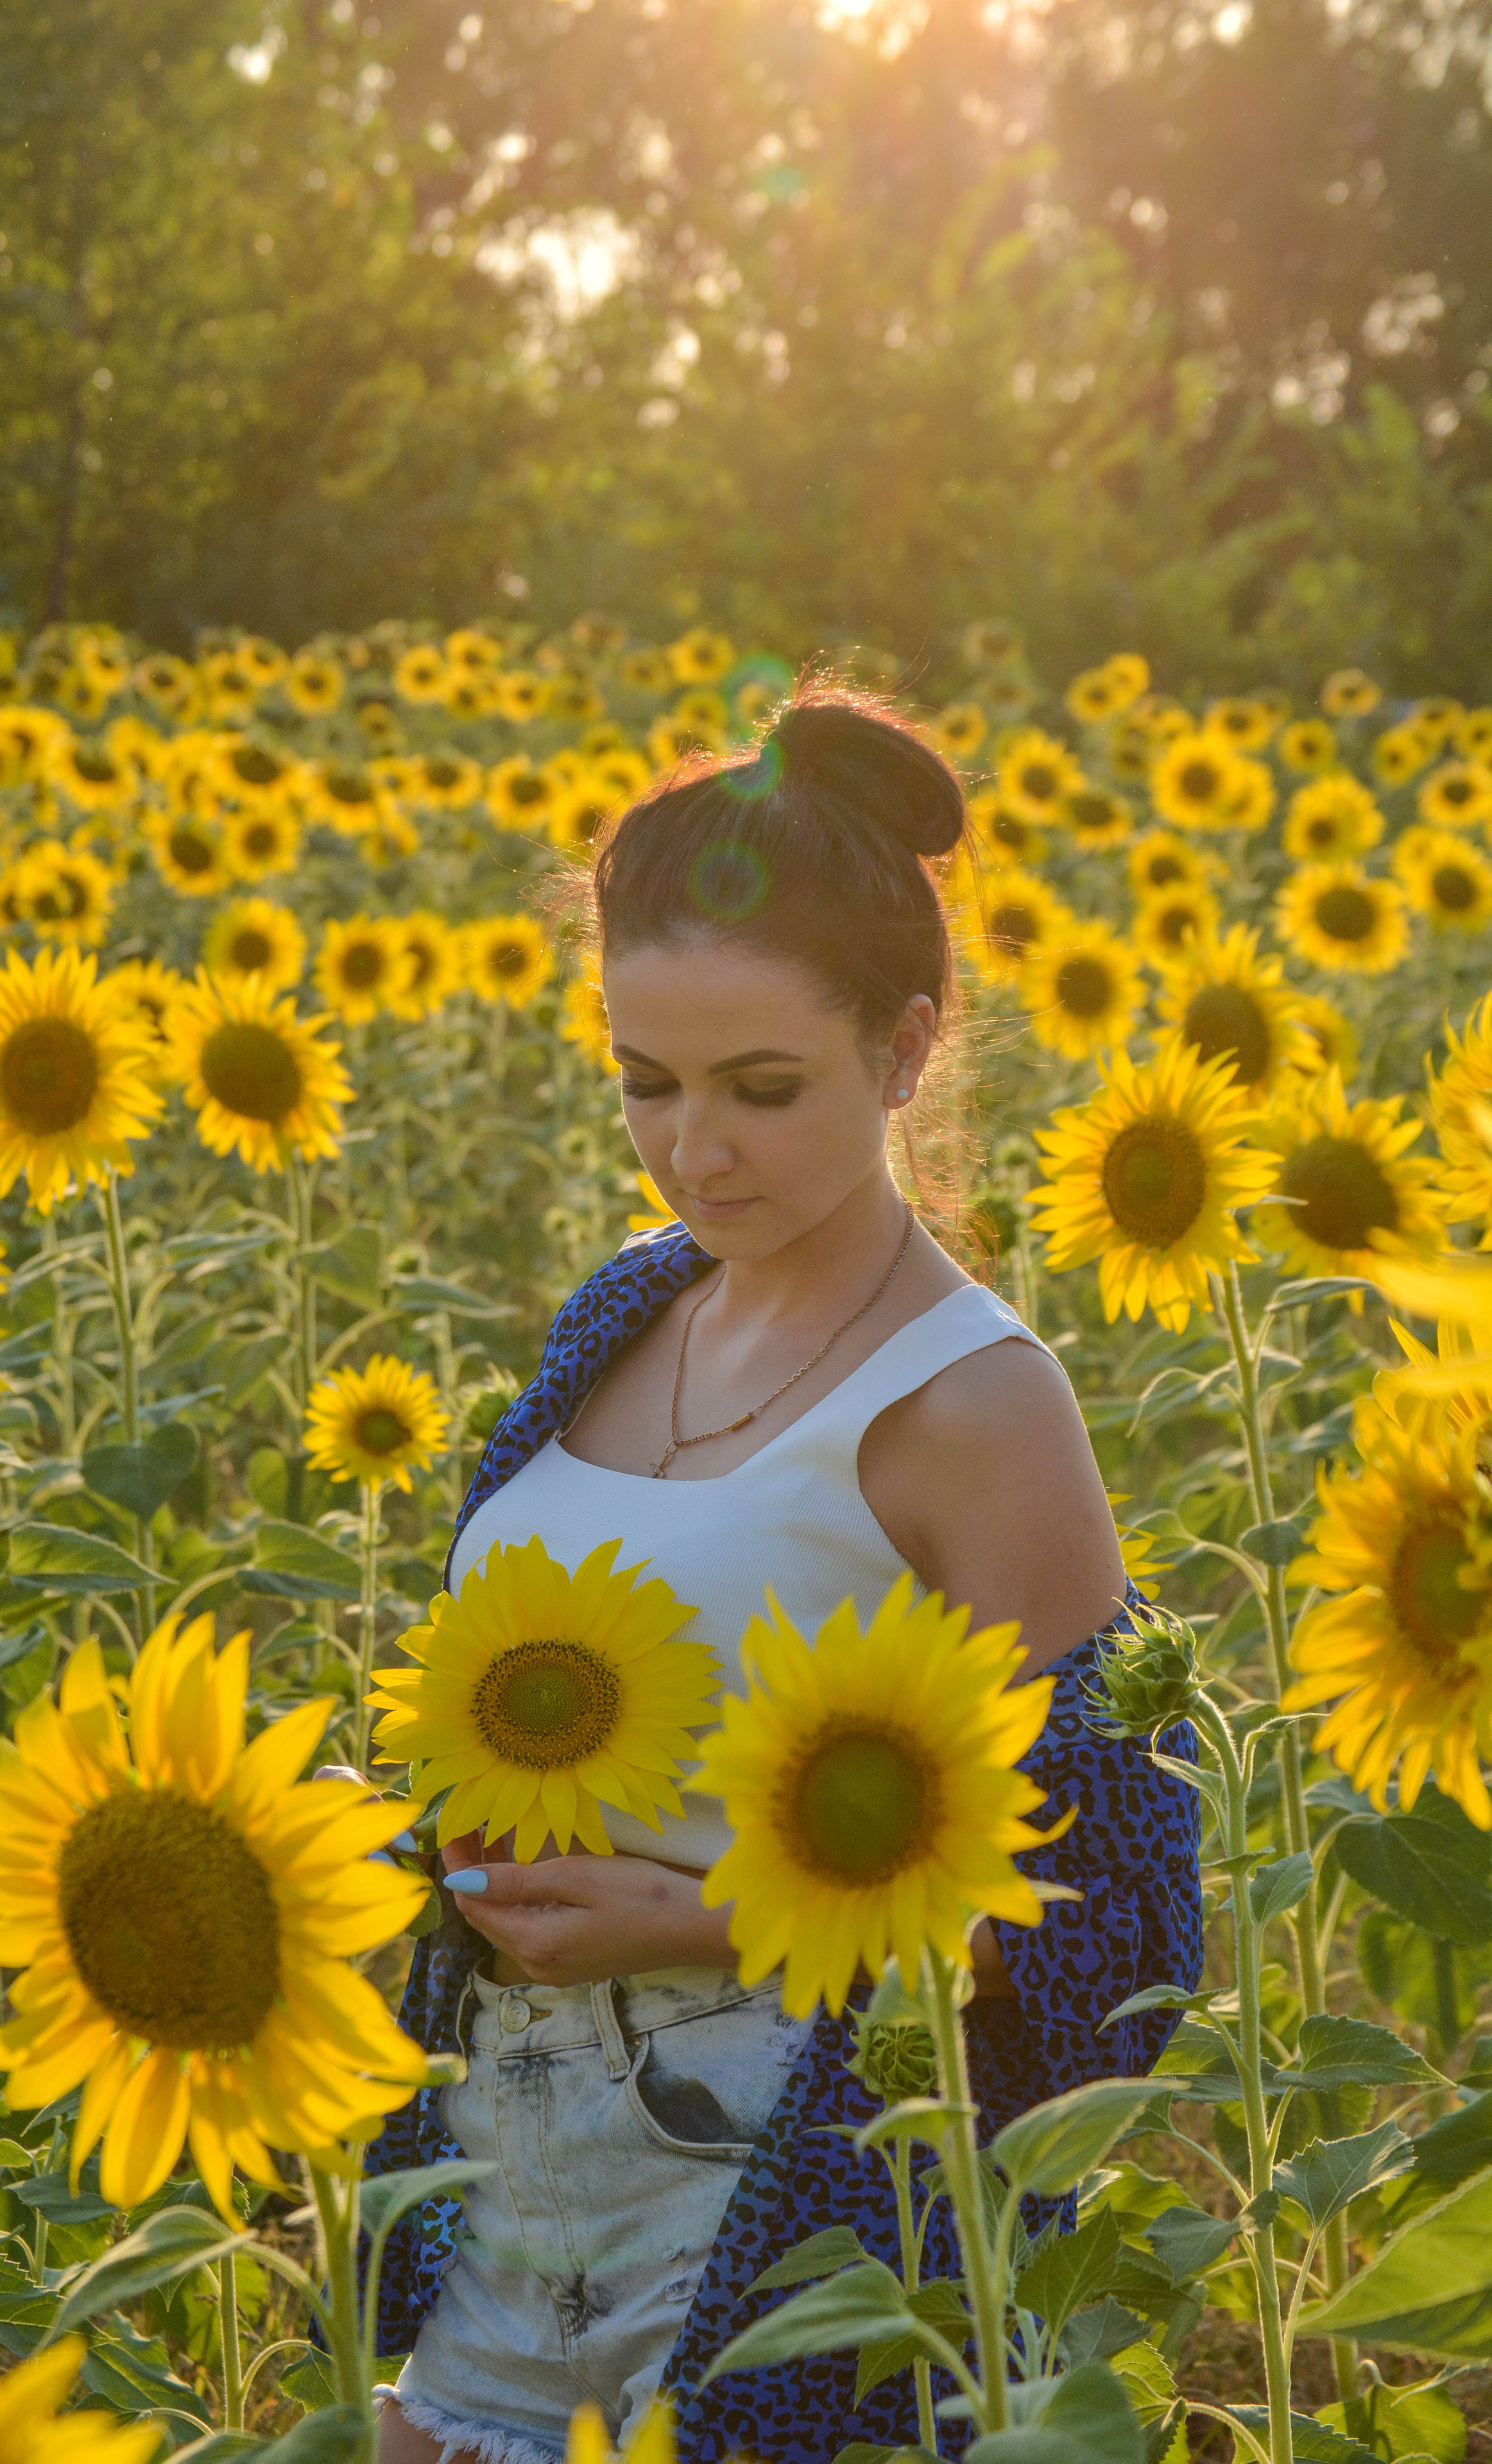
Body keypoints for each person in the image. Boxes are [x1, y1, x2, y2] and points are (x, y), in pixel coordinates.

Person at [362, 689, 1203, 2464]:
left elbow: (1121, 1919)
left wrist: (698, 1912)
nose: (694, 1149)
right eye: (643, 1083)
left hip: (790, 2219)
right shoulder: (623, 1307)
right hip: (497, 2191)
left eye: (762, 1089)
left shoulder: (975, 1403)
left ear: (906, 1050)